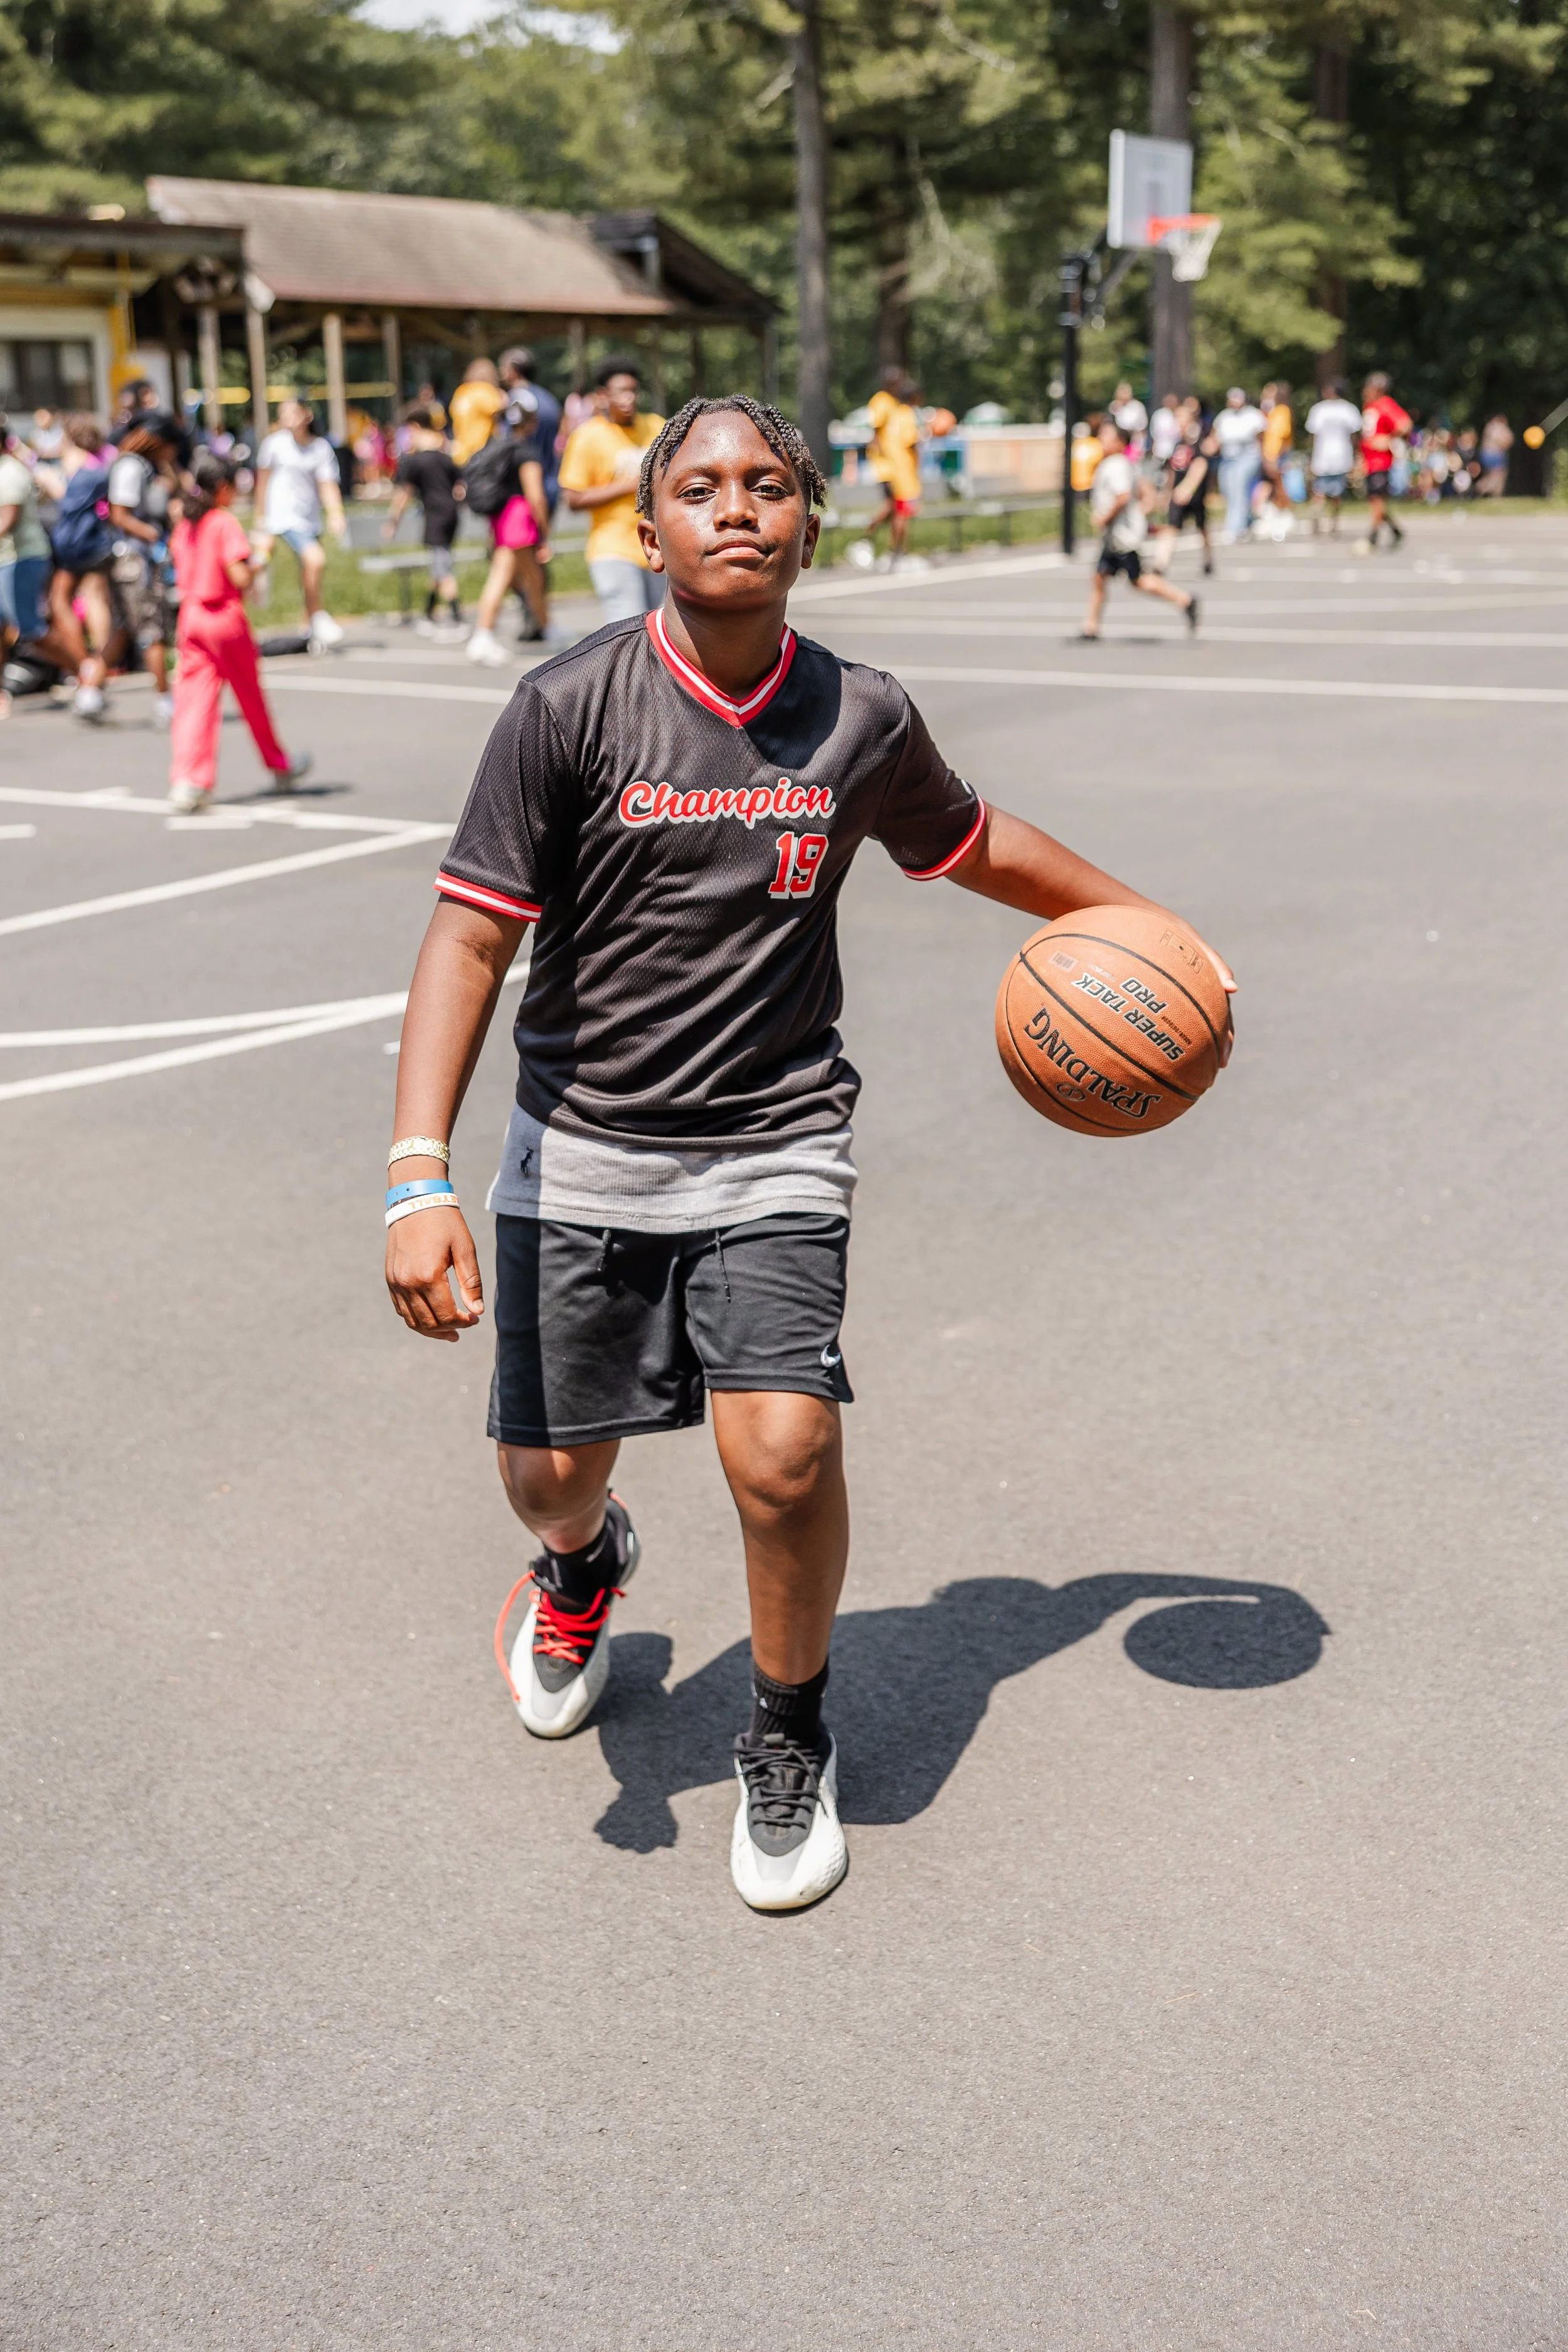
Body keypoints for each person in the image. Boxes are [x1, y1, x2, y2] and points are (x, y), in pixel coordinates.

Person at [382, 391, 1236, 1912]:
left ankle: (786, 1729)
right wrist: (417, 1172)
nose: (733, 506)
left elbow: (976, 842)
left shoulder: (858, 715)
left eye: (766, 483)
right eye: (698, 486)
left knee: (783, 1453)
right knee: (544, 1475)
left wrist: (1142, 925)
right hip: (580, 1142)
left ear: (807, 522)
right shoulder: (568, 706)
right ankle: (581, 1567)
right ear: (645, 530)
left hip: (775, 1136)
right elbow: (467, 941)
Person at [166, 452, 312, 814]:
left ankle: (189, 781)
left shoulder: (187, 523)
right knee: (250, 698)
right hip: (224, 618)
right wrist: (261, 557)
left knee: (194, 704)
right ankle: (279, 764)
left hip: (191, 616)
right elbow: (240, 577)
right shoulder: (223, 522)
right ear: (223, 489)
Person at [558, 355, 665, 625]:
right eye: (620, 392)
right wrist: (631, 485)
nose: (628, 398)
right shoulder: (588, 436)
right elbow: (574, 498)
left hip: (659, 547)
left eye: (632, 391)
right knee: (630, 628)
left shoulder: (656, 426)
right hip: (612, 549)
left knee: (658, 627)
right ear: (603, 396)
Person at [1079, 415, 1199, 640]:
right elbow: (1144, 491)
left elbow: (1123, 496)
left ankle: (1185, 600)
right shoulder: (1124, 464)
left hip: (1121, 536)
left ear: (1120, 443)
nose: (1102, 440)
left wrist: (1105, 518)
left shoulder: (1116, 465)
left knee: (1138, 581)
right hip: (1115, 536)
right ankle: (1090, 626)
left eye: (1107, 436)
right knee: (1099, 577)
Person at [253, 399, 349, 648]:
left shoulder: (320, 448)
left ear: (306, 415)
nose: (288, 417)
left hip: (310, 519)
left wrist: (336, 513)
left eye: (293, 412)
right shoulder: (274, 445)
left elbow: (327, 485)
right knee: (315, 559)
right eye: (283, 413)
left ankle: (309, 631)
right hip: (283, 518)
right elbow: (262, 483)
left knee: (309, 572)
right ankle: (318, 616)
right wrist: (261, 519)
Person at [464, 396, 551, 667]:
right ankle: (483, 634)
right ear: (532, 422)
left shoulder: (498, 447)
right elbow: (536, 495)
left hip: (501, 519)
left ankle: (546, 626)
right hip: (520, 519)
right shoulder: (526, 451)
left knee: (534, 577)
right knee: (501, 577)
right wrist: (545, 535)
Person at [105, 415, 181, 724]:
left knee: (125, 627)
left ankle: (90, 692)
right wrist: (153, 535)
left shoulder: (147, 468)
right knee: (153, 629)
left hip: (138, 559)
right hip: (135, 561)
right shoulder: (130, 467)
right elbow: (119, 515)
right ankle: (165, 701)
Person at [46, 413, 119, 723]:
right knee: (94, 599)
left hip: (79, 546)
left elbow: (67, 501)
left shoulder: (81, 463)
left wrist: (51, 476)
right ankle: (98, 665)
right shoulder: (103, 460)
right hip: (94, 543)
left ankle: (91, 664)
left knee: (63, 601)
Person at [0, 412, 60, 717]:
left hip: (22, 559)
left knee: (30, 629)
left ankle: (87, 671)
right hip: (5, 560)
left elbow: (5, 522)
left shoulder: (11, 472)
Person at [386, 406, 464, 636]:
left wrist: (393, 522)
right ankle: (429, 612)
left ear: (416, 428)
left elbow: (404, 495)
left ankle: (457, 616)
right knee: (438, 565)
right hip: (451, 514)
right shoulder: (445, 458)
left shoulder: (416, 462)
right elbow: (460, 489)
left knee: (443, 567)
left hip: (435, 515)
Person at [861, 368, 924, 568]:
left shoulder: (895, 407)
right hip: (891, 467)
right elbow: (877, 433)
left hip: (894, 466)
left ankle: (891, 551)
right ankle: (878, 545)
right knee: (897, 510)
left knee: (894, 509)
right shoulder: (884, 402)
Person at [1151, 401, 1217, 576]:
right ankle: (1161, 562)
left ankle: (1208, 559)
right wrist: (1167, 493)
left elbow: (1200, 465)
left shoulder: (1197, 441)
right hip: (1177, 493)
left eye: (1182, 419)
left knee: (1202, 527)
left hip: (1194, 494)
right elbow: (1172, 470)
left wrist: (1188, 488)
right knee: (1171, 526)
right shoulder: (1177, 444)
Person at [1359, 371, 1411, 551]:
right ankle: (1395, 530)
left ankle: (1372, 537)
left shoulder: (1386, 405)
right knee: (1376, 501)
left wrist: (1389, 439)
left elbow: (1405, 425)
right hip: (1370, 461)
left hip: (1381, 462)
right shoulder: (1370, 407)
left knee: (1377, 499)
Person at [1304, 379, 1362, 536]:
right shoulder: (1348, 409)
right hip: (1338, 455)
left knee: (1324, 490)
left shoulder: (1320, 409)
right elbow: (1354, 435)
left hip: (1328, 455)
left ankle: (1322, 516)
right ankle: (1330, 521)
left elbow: (1313, 435)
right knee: (1332, 491)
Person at [1215, 387, 1265, 543]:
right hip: (1228, 458)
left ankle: (1235, 528)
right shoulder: (1224, 416)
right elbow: (1215, 437)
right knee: (1228, 491)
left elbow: (1261, 437)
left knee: (1239, 490)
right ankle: (1249, 520)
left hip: (1247, 457)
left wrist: (1265, 458)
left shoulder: (1253, 415)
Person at [449, 358, 506, 469]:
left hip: (461, 453)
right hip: (481, 452)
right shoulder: (485, 390)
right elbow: (501, 407)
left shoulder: (461, 391)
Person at [1258, 383, 1294, 538]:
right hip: (1268, 455)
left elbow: (1283, 437)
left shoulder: (1282, 411)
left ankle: (1284, 514)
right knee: (1269, 487)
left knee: (1279, 486)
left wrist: (1276, 457)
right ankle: (1270, 514)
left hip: (1277, 456)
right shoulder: (1268, 413)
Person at [1111, 379, 1149, 458]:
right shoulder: (1114, 407)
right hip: (1120, 441)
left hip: (1134, 440)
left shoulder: (1137, 407)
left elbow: (1143, 427)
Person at [1478, 415, 1513, 496]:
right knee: (1498, 477)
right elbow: (1506, 441)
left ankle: (1481, 490)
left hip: (1485, 454)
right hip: (1496, 454)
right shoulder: (1499, 427)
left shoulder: (1488, 427)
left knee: (1490, 476)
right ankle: (1491, 493)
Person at [1148, 391, 1182, 472]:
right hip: (1161, 450)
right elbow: (1154, 433)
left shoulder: (1178, 414)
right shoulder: (1159, 415)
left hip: (1175, 451)